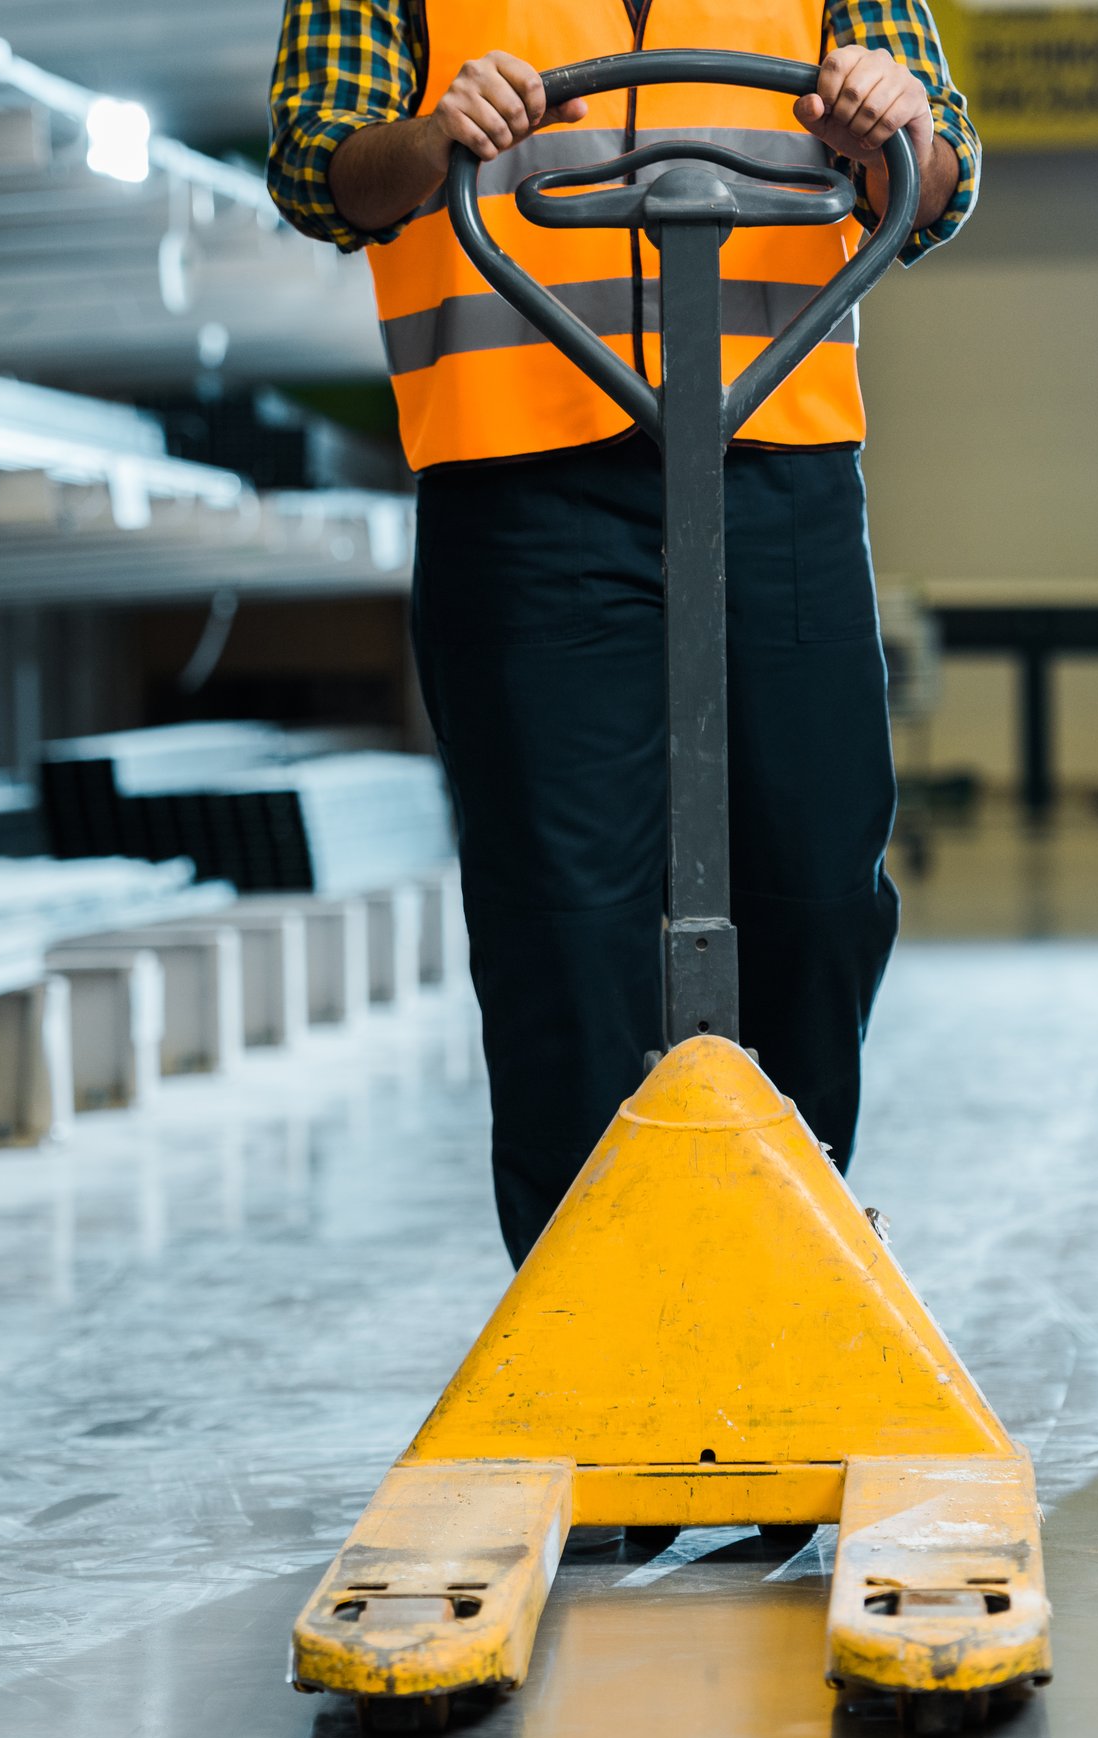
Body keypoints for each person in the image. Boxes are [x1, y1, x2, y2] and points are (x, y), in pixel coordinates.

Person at [269, 2, 981, 1265]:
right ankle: (585, 1297)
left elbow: (939, 178)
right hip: (520, 471)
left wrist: (893, 123)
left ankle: (785, 1264)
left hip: (774, 454)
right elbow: (319, 168)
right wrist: (438, 134)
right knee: (562, 919)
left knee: (817, 891)